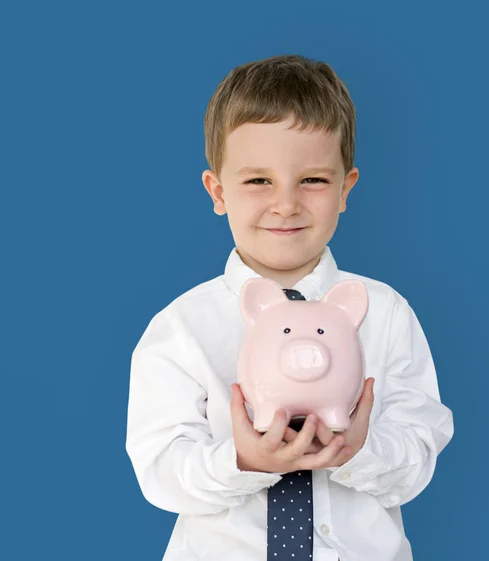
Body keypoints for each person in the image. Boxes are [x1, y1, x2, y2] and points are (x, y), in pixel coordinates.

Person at [125, 54, 454, 561]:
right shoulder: (182, 328)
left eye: (314, 180)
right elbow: (160, 470)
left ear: (346, 188)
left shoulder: (385, 314)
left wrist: (361, 451)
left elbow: (418, 450)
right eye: (259, 181)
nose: (285, 204)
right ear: (218, 191)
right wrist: (241, 460)